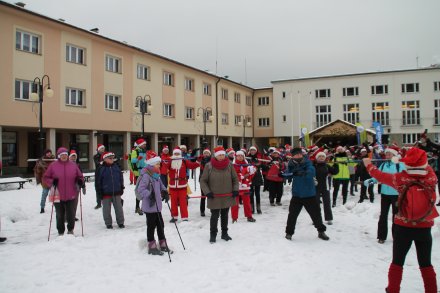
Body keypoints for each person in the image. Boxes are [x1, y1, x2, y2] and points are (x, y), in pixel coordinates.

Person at [363, 147, 438, 293]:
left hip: (403, 226)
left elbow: (379, 175)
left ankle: (393, 289)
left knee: (397, 262)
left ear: (407, 164)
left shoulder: (400, 178)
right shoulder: (431, 177)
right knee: (426, 264)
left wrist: (368, 164)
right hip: (424, 227)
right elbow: (424, 166)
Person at [284, 148, 329, 241]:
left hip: (309, 194)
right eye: (296, 155)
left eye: (299, 154)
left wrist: (302, 172)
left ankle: (321, 231)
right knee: (292, 215)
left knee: (316, 215)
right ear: (293, 156)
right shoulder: (291, 164)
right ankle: (289, 233)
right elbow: (287, 174)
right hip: (297, 194)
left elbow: (311, 172)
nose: (298, 156)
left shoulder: (307, 163)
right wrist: (287, 173)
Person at [364, 148, 405, 244]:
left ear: (394, 155)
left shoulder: (400, 165)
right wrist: (371, 180)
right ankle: (381, 236)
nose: (387, 156)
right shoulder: (383, 165)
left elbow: (404, 177)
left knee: (396, 216)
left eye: (389, 154)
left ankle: (397, 236)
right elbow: (378, 176)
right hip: (385, 194)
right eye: (386, 154)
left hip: (396, 194)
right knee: (383, 215)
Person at [200, 146, 239, 243]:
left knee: (225, 215)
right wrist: (207, 192)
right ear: (215, 156)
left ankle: (224, 233)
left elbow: (235, 179)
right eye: (219, 155)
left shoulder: (230, 165)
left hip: (227, 195)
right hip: (214, 196)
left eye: (222, 155)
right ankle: (213, 234)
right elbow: (203, 181)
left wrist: (235, 189)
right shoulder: (208, 166)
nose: (221, 157)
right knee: (214, 216)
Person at [43, 147, 84, 235]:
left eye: (65, 154)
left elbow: (80, 176)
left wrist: (80, 181)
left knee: (71, 214)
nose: (64, 156)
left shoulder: (73, 165)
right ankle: (60, 231)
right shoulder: (53, 165)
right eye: (62, 155)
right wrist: (52, 182)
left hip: (71, 193)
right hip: (57, 194)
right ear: (59, 156)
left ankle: (70, 230)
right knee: (60, 215)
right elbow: (45, 177)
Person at [137, 152, 171, 255]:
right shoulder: (146, 176)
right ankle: (151, 246)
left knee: (161, 225)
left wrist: (165, 191)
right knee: (151, 226)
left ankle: (163, 244)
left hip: (157, 207)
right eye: (157, 164)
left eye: (159, 164)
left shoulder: (156, 175)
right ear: (151, 165)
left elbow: (161, 186)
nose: (159, 166)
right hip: (149, 207)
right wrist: (149, 194)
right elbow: (140, 189)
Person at [165, 147, 200, 222]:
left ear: (180, 154)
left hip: (182, 186)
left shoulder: (184, 161)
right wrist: (166, 161)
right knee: (173, 202)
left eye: (178, 153)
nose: (177, 155)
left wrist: (198, 162)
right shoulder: (171, 161)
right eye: (175, 153)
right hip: (172, 186)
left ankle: (184, 217)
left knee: (183, 202)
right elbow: (164, 168)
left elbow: (191, 165)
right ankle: (174, 216)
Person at [96, 152, 125, 229]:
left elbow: (120, 178)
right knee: (106, 210)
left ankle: (121, 222)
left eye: (113, 158)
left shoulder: (116, 167)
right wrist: (99, 192)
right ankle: (108, 223)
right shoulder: (101, 169)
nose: (112, 159)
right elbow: (98, 182)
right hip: (105, 192)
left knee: (119, 208)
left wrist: (121, 187)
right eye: (110, 158)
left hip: (116, 191)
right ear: (105, 159)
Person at [231, 150, 256, 223]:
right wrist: (240, 176)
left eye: (241, 156)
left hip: (245, 187)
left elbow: (251, 175)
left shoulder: (248, 165)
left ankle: (249, 216)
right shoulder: (233, 165)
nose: (240, 157)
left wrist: (251, 173)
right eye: (238, 156)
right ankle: (234, 217)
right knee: (234, 203)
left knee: (247, 203)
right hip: (235, 186)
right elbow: (232, 175)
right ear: (236, 157)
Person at [314, 151, 338, 225]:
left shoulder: (327, 166)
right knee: (315, 204)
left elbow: (335, 172)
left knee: (327, 203)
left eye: (323, 157)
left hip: (325, 187)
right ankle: (316, 219)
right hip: (316, 187)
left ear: (325, 158)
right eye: (320, 157)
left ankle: (329, 218)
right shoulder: (314, 166)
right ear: (317, 158)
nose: (321, 158)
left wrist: (336, 164)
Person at [34, 149, 55, 213]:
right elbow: (38, 171)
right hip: (45, 181)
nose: (49, 154)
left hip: (52, 181)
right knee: (44, 194)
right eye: (47, 153)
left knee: (54, 195)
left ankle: (56, 208)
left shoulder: (54, 161)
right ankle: (42, 208)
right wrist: (38, 165)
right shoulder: (42, 162)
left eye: (50, 153)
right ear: (45, 154)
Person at [131, 138, 148, 215]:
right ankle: (137, 207)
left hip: (145, 172)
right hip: (138, 173)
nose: (145, 145)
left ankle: (144, 206)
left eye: (145, 144)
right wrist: (137, 159)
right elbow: (132, 160)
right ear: (140, 145)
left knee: (145, 189)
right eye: (144, 144)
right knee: (139, 190)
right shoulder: (135, 151)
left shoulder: (144, 151)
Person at [248, 146, 263, 214]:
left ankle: (258, 208)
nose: (252, 151)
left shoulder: (259, 158)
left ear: (256, 151)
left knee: (257, 194)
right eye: (251, 150)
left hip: (257, 177)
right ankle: (251, 208)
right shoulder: (247, 158)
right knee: (251, 194)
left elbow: (262, 166)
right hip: (250, 177)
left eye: (254, 150)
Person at [198, 148, 212, 217]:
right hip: (203, 180)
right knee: (203, 196)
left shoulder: (212, 161)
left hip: (211, 180)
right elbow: (193, 160)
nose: (206, 154)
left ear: (210, 154)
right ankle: (202, 210)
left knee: (211, 196)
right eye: (205, 153)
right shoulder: (201, 160)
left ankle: (212, 208)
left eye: (207, 153)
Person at [93, 144, 106, 209]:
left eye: (103, 148)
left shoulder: (106, 155)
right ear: (98, 149)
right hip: (98, 173)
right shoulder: (96, 156)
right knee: (98, 188)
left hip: (105, 173)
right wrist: (102, 162)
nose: (103, 150)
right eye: (101, 148)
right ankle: (98, 203)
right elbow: (97, 163)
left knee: (105, 187)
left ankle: (106, 201)